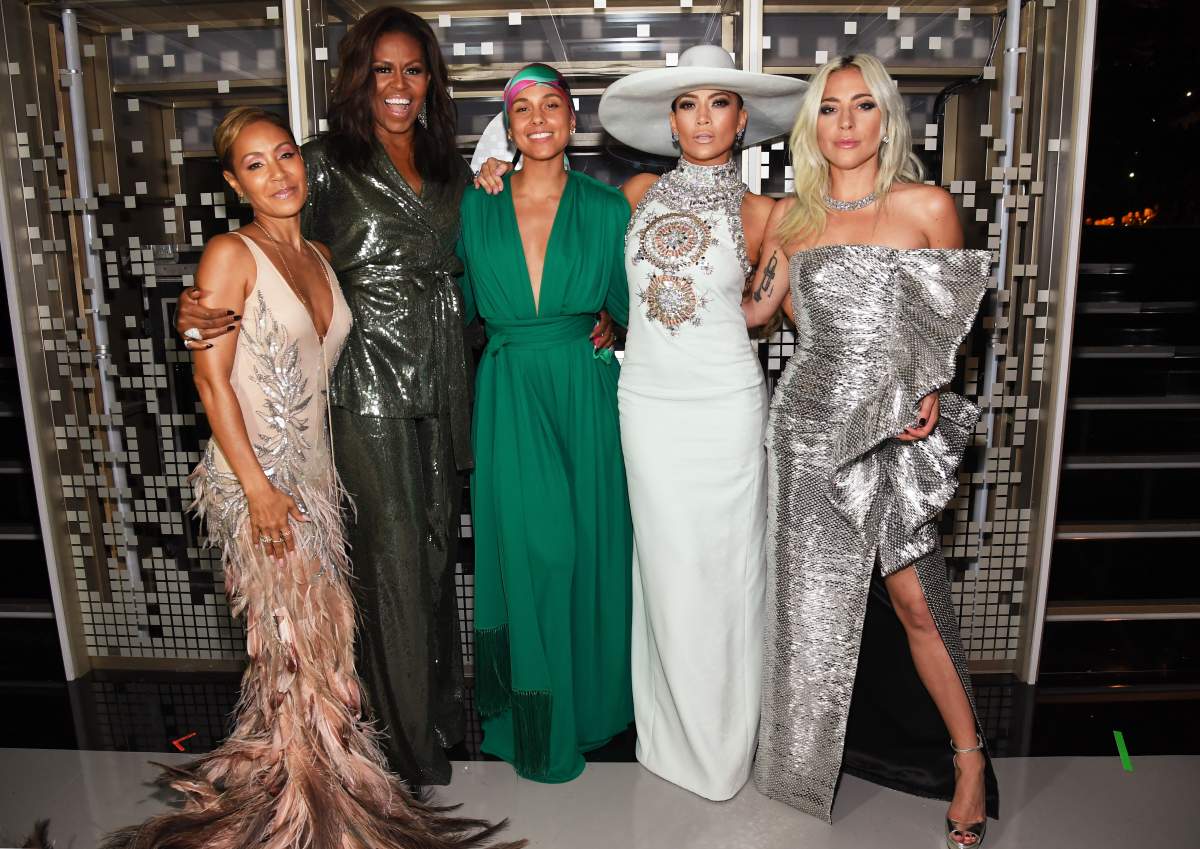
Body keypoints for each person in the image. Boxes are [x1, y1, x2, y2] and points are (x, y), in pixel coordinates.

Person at [173, 7, 616, 786]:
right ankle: (406, 745)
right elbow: (262, 251)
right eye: (383, 69)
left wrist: (599, 311)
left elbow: (509, 250)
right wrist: (199, 309)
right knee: (393, 563)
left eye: (414, 69)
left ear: (431, 80)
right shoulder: (322, 163)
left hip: (449, 384)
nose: (399, 85)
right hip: (366, 389)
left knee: (440, 556)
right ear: (359, 77)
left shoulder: (454, 168)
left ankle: (435, 715)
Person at [102, 107, 518, 849]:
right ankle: (305, 818)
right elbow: (211, 383)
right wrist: (259, 489)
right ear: (234, 182)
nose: (278, 172)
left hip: (320, 482)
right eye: (255, 164)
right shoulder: (232, 253)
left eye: (285, 155)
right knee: (297, 652)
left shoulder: (322, 254)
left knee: (319, 654)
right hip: (259, 484)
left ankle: (316, 799)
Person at [741, 54, 998, 847]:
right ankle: (797, 768)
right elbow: (751, 314)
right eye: (829, 109)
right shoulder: (792, 219)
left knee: (920, 601)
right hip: (807, 429)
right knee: (806, 611)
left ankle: (969, 760)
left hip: (893, 430)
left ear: (886, 119)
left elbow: (950, 328)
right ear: (811, 124)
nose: (845, 124)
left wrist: (930, 391)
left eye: (862, 107)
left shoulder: (926, 206)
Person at [597, 44, 805, 801]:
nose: (703, 117)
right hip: (647, 405)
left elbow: (757, 313)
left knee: (725, 574)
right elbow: (576, 251)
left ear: (743, 118)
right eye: (688, 104)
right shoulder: (636, 193)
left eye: (718, 102)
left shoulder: (769, 212)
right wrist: (494, 170)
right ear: (670, 120)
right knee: (666, 569)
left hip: (723, 406)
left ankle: (723, 746)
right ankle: (670, 735)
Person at [456, 64, 634, 784]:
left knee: (590, 551)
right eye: (521, 108)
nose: (537, 118)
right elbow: (451, 304)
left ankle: (589, 713)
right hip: (509, 388)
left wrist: (610, 323)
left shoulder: (608, 206)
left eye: (550, 105)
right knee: (538, 552)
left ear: (572, 116)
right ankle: (536, 724)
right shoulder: (476, 205)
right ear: (507, 122)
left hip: (584, 392)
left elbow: (637, 307)